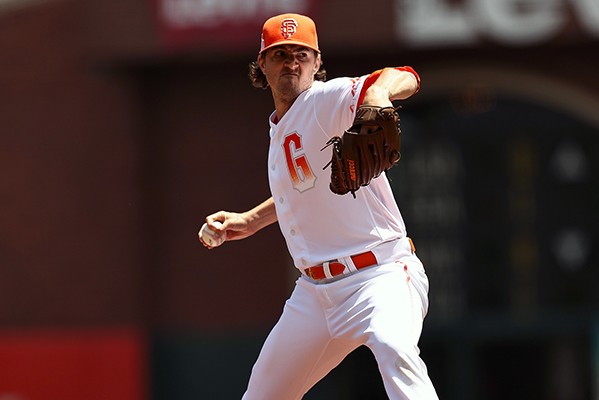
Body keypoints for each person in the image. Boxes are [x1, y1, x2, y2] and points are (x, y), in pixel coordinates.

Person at [199, 13, 438, 400]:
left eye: (301, 54)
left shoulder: (325, 100)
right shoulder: (281, 127)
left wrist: (378, 93)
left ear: (316, 62)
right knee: (263, 394)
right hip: (314, 295)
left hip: (378, 277)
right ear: (262, 64)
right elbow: (302, 189)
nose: (292, 63)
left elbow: (405, 76)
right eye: (280, 54)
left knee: (395, 349)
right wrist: (251, 220)